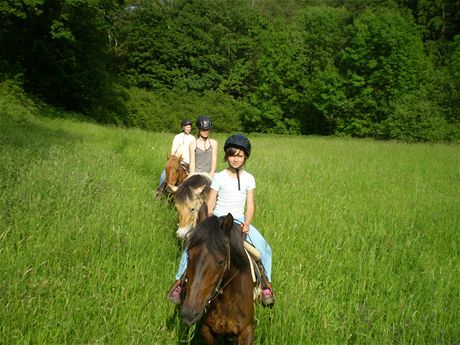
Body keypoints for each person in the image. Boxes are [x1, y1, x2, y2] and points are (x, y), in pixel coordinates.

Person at [167, 134, 275, 306]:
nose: (235, 159)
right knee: (191, 246)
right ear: (227, 156)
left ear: (245, 157)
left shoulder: (249, 179)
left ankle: (265, 286)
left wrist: (247, 223)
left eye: (239, 155)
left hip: (238, 220)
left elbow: (251, 205)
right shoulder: (219, 177)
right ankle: (180, 283)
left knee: (264, 248)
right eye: (232, 155)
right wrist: (206, 222)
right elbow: (211, 202)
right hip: (217, 218)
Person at [157, 119, 196, 192]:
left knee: (194, 178)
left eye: (189, 127)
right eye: (187, 127)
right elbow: (173, 150)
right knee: (164, 175)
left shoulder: (193, 138)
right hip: (178, 162)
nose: (188, 128)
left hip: (189, 163)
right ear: (183, 127)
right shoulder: (178, 137)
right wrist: (173, 159)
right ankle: (159, 191)